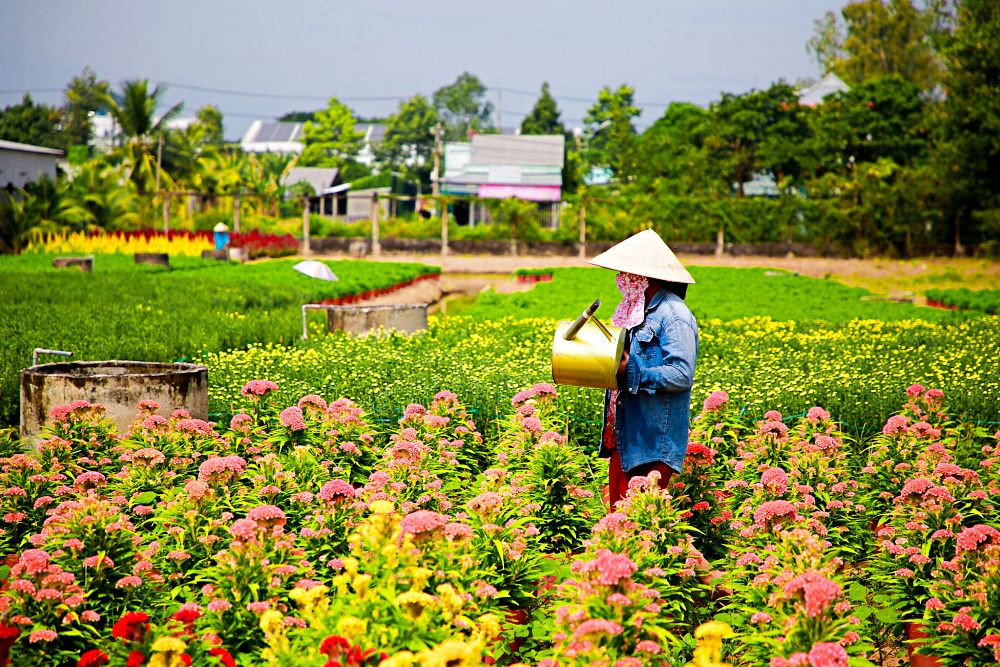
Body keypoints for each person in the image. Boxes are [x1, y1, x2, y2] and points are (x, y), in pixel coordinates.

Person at [589, 229, 698, 508]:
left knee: (640, 522)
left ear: (647, 277)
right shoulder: (636, 310)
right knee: (617, 518)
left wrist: (633, 371)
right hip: (627, 434)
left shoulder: (674, 315)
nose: (622, 280)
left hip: (652, 441)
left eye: (628, 273)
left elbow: (681, 373)